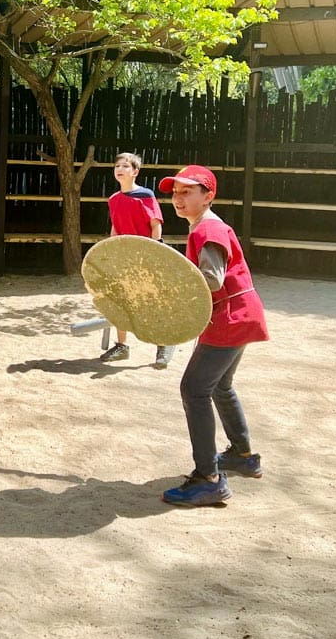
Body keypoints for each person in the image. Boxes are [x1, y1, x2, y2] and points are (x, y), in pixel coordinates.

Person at [156, 165, 268, 507]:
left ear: (208, 196)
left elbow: (211, 279)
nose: (178, 198)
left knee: (194, 388)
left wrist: (171, 291)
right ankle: (243, 455)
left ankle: (208, 479)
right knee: (220, 385)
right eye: (175, 192)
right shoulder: (207, 227)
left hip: (228, 320)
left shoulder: (209, 230)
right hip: (242, 315)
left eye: (187, 191)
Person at [99, 152, 175, 369]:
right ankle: (122, 346)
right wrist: (111, 251)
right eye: (117, 166)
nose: (119, 169)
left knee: (151, 301)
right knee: (121, 301)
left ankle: (163, 344)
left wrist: (155, 248)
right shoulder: (114, 199)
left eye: (125, 165)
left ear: (135, 171)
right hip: (124, 258)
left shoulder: (145, 195)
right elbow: (116, 226)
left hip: (145, 256)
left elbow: (155, 223)